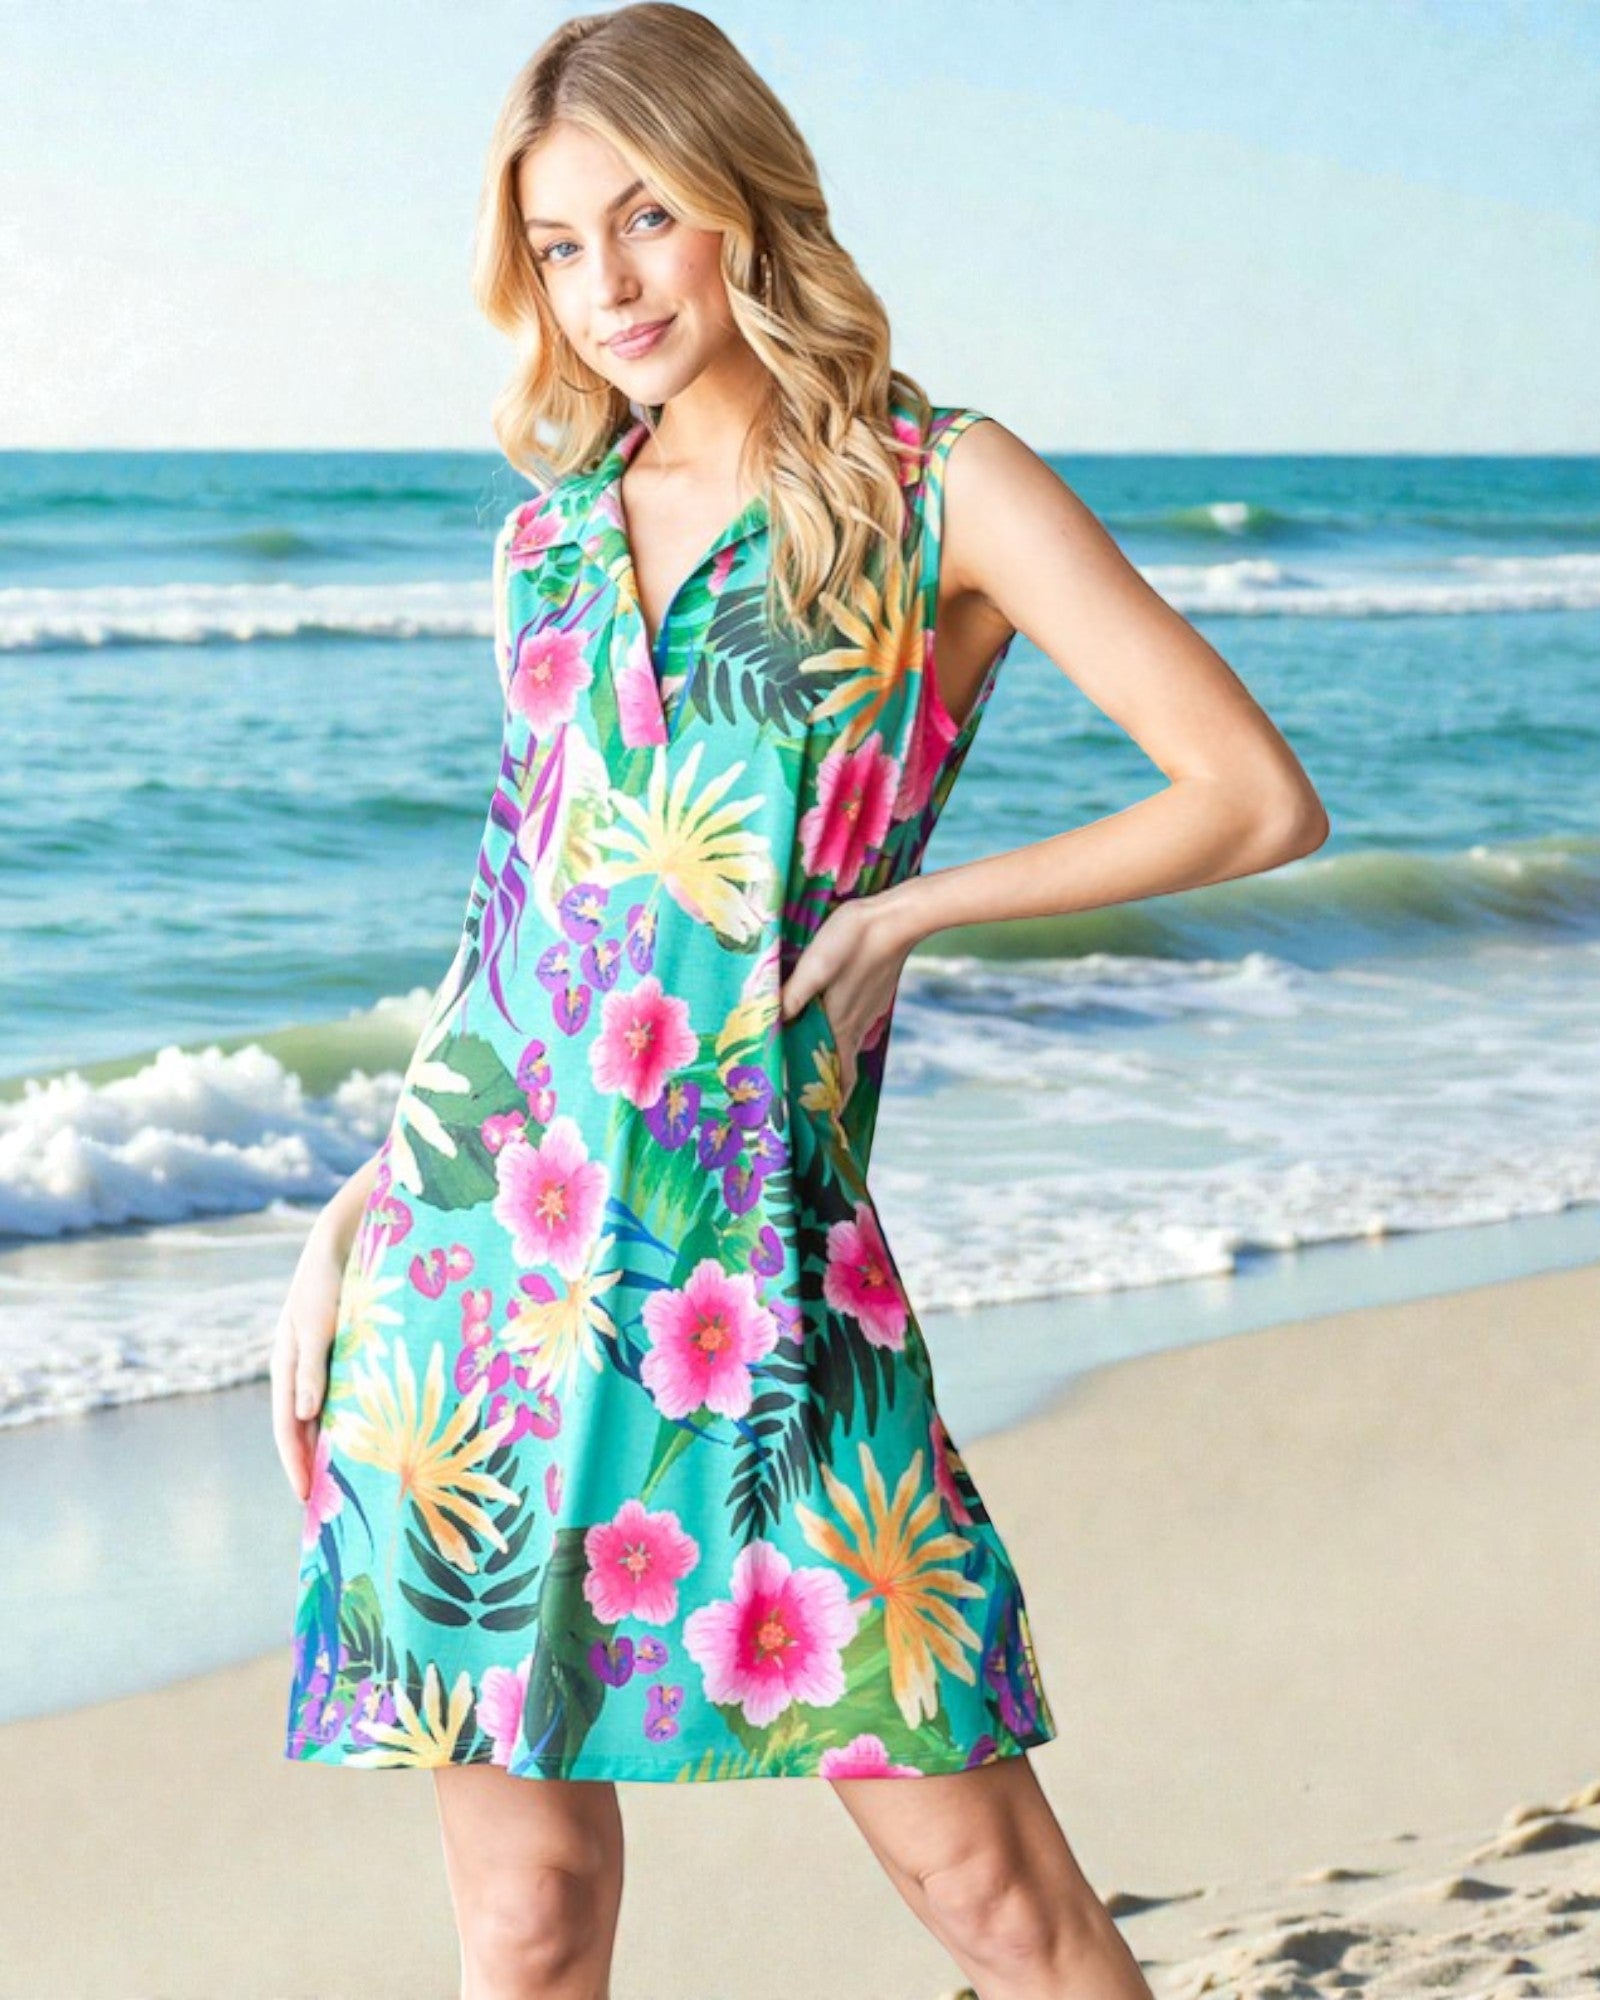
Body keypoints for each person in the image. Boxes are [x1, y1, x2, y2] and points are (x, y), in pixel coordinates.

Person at [270, 6, 1328, 1996]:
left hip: (766, 1287)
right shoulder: (546, 541)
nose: (604, 287)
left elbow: (1250, 796)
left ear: (744, 195)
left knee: (1002, 1906)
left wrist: (911, 909)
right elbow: (524, 926)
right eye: (559, 246)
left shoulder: (942, 487)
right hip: (474, 1286)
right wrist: (354, 1212)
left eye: (644, 216)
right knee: (524, 1923)